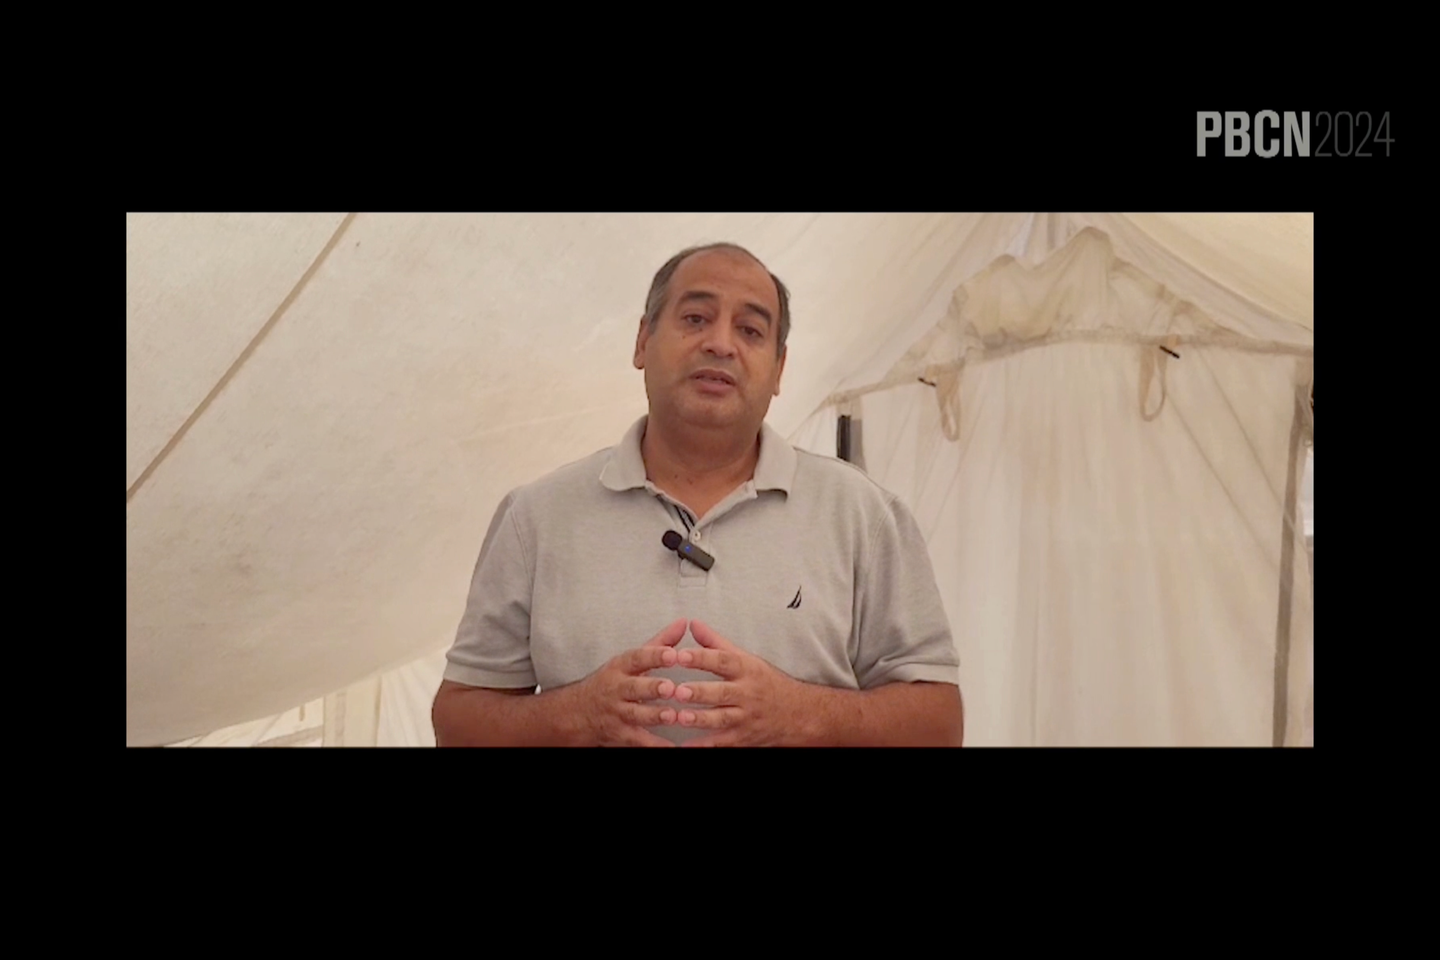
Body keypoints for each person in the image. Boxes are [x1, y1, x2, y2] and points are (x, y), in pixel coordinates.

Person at [431, 242, 963, 746]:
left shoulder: (866, 517)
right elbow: (457, 724)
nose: (721, 344)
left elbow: (939, 726)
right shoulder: (536, 517)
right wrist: (579, 715)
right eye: (695, 318)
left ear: (778, 369)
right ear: (642, 342)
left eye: (751, 330)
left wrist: (797, 715)